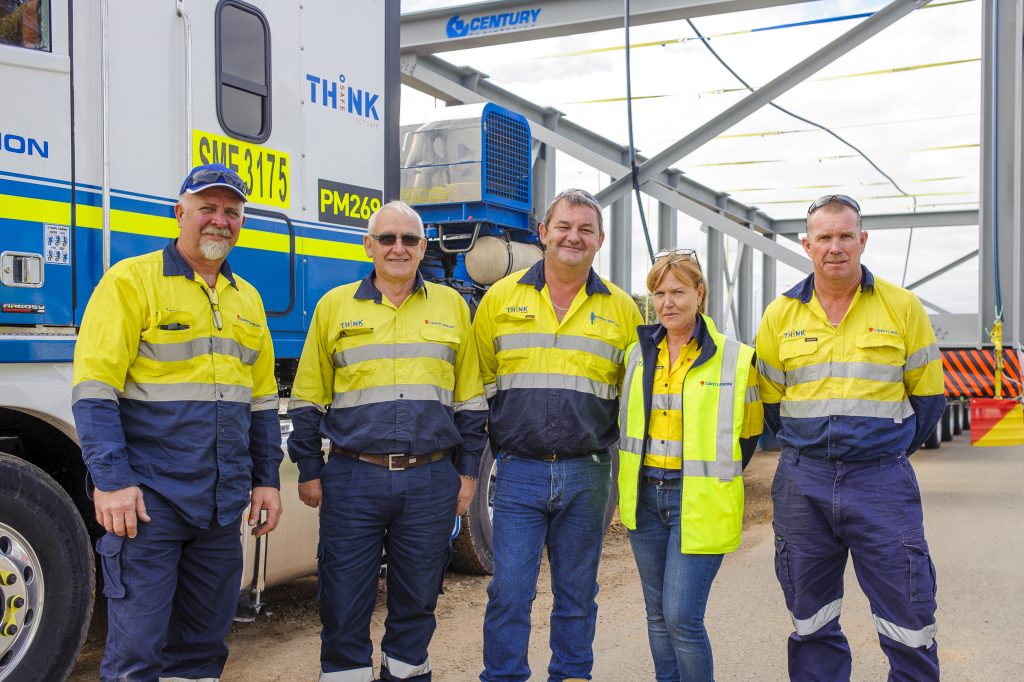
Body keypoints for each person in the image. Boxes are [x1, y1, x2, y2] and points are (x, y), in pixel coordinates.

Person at [72, 162, 283, 681]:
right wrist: (113, 482)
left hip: (218, 507)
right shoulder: (130, 282)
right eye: (207, 208)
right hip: (149, 504)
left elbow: (259, 402)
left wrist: (266, 480)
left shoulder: (248, 300)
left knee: (202, 650)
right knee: (137, 653)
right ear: (180, 212)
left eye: (231, 212)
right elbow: (94, 391)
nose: (219, 220)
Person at [287, 200, 488, 682]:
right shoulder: (334, 307)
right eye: (387, 238)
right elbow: (307, 398)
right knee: (341, 597)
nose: (398, 248)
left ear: (423, 249)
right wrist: (311, 471)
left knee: (418, 599)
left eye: (410, 240)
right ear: (369, 245)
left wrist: (466, 475)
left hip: (430, 479)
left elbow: (472, 403)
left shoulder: (453, 307)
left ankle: (406, 674)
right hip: (354, 477)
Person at [756, 194, 944, 681]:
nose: (834, 247)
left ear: (862, 241)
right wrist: (811, 449)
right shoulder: (780, 316)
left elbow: (928, 401)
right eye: (824, 237)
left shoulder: (902, 307)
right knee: (810, 614)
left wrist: (884, 451)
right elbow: (772, 402)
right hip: (803, 481)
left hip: (880, 479)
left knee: (907, 612)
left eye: (845, 236)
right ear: (807, 244)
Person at [474, 188, 644, 682]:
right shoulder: (500, 299)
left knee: (576, 591)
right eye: (564, 227)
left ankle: (571, 674)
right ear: (543, 233)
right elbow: (480, 382)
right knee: (509, 590)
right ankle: (503, 675)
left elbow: (631, 394)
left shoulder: (622, 310)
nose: (574, 237)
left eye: (585, 229)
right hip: (519, 472)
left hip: (588, 472)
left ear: (600, 240)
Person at [618, 249, 763, 681]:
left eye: (678, 291)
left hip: (697, 500)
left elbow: (750, 434)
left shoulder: (736, 358)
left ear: (700, 294)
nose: (668, 302)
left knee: (682, 616)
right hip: (645, 499)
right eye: (659, 293)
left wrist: (710, 479)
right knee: (657, 614)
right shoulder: (637, 355)